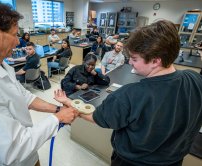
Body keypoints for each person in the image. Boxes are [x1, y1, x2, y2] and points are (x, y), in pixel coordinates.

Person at [55, 20, 202, 166]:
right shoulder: (195, 79)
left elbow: (95, 116)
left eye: (134, 58)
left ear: (155, 61)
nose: (130, 63)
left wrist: (68, 102)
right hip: (174, 161)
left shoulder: (129, 95)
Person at [0, 1, 77, 165]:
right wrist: (58, 118)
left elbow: (23, 96)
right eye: (15, 34)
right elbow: (15, 148)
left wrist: (58, 109)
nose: (19, 42)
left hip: (28, 154)